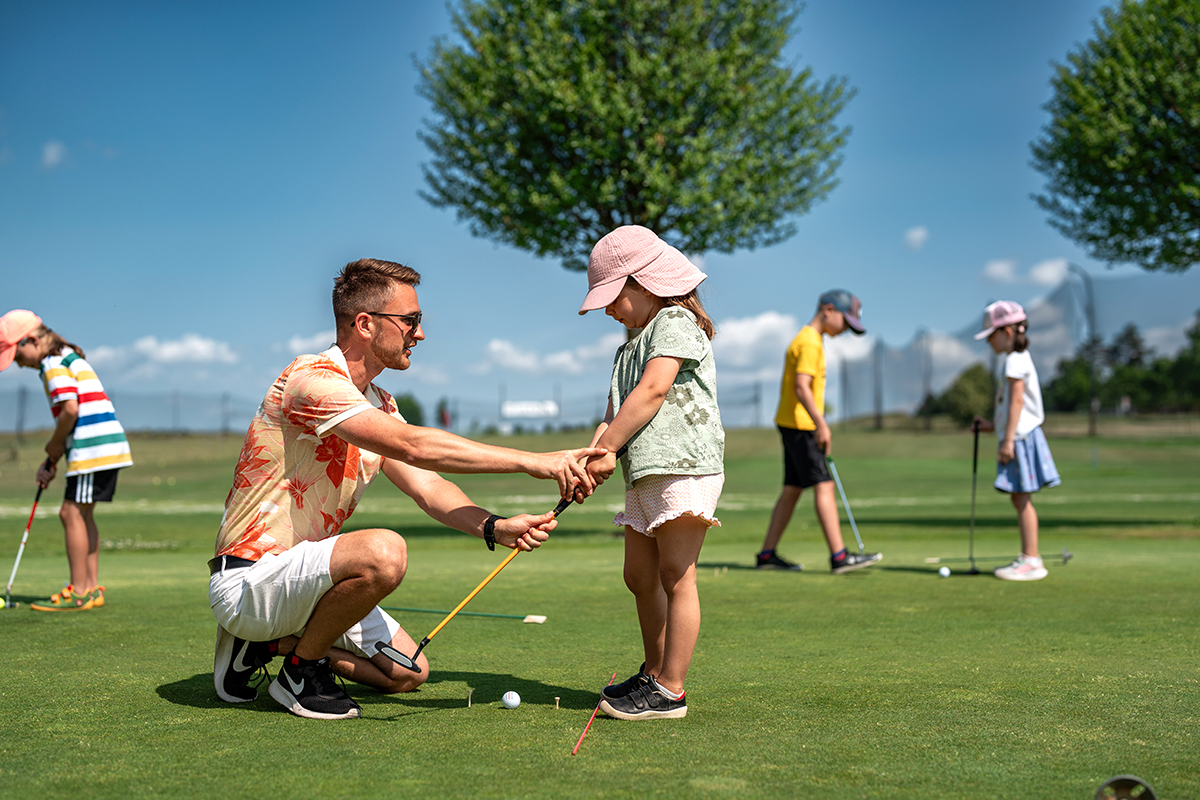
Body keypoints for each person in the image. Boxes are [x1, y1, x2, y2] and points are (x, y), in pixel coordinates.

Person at [209, 258, 603, 720]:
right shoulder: (311, 380)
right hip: (249, 582)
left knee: (408, 673)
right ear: (365, 324)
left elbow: (428, 486)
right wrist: (534, 461)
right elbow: (413, 447)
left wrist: (494, 527)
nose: (420, 334)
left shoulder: (379, 403)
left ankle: (271, 646)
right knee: (384, 552)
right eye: (411, 321)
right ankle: (300, 671)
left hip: (308, 583)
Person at [576, 226, 724, 721]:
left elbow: (654, 391)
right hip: (644, 471)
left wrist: (609, 448)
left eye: (613, 297)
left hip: (684, 466)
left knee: (675, 573)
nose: (607, 310)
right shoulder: (627, 349)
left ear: (642, 284)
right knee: (640, 575)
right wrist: (592, 457)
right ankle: (655, 670)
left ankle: (671, 690)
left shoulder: (675, 321)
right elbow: (616, 410)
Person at [0, 310, 134, 611]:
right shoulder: (69, 355)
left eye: (16, 353)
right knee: (82, 515)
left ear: (32, 340)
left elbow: (70, 411)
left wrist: (52, 446)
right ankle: (91, 589)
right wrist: (54, 457)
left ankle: (79, 591)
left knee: (70, 514)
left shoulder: (52, 363)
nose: (18, 363)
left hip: (92, 446)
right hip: (101, 445)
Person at [755, 290, 882, 573]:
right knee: (823, 484)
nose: (846, 329)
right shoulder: (811, 342)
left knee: (792, 489)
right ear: (828, 310)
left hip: (792, 423)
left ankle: (766, 555)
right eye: (845, 322)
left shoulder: (808, 338)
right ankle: (839, 556)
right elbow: (802, 386)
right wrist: (821, 424)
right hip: (802, 425)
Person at [972, 300, 1061, 581]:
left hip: (1020, 438)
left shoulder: (1015, 360)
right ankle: (1029, 557)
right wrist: (991, 427)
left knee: (1021, 497)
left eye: (991, 336)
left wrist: (1007, 441)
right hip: (1018, 436)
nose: (988, 342)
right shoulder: (1016, 359)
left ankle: (1031, 560)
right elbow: (1009, 406)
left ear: (1007, 332)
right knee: (1018, 497)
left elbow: (1018, 403)